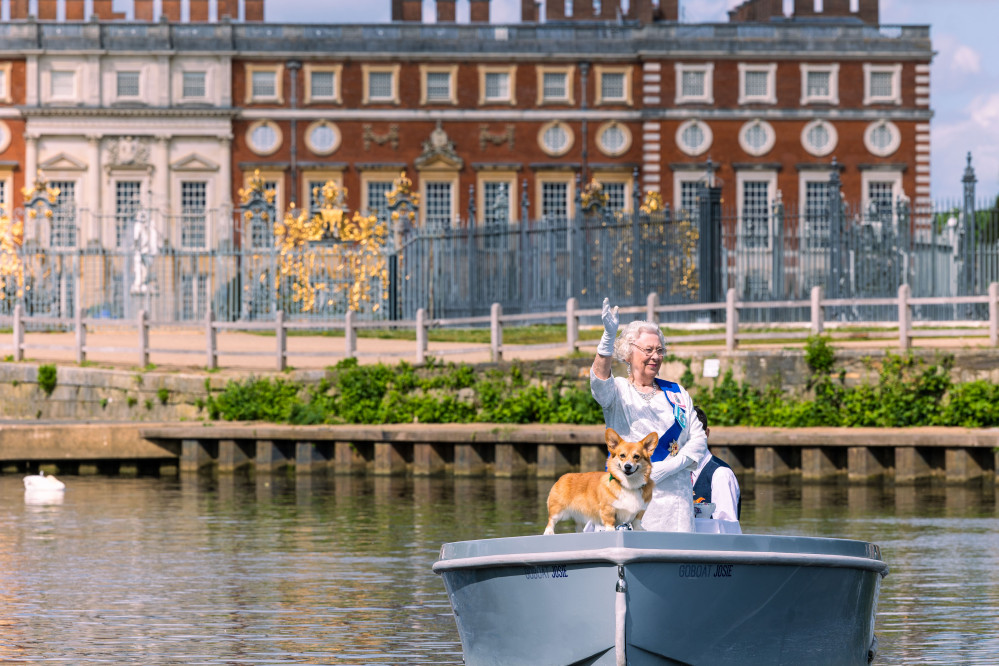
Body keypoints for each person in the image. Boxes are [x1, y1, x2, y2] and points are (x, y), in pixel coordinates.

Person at [589, 297, 707, 532]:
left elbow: (699, 439)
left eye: (659, 350)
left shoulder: (677, 393)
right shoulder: (619, 391)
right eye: (648, 350)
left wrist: (670, 467)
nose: (655, 356)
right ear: (628, 354)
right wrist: (607, 340)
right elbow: (599, 384)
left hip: (676, 505)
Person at [690, 405, 741, 522]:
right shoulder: (677, 473)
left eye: (694, 434)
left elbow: (726, 528)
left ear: (706, 433)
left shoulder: (721, 474)